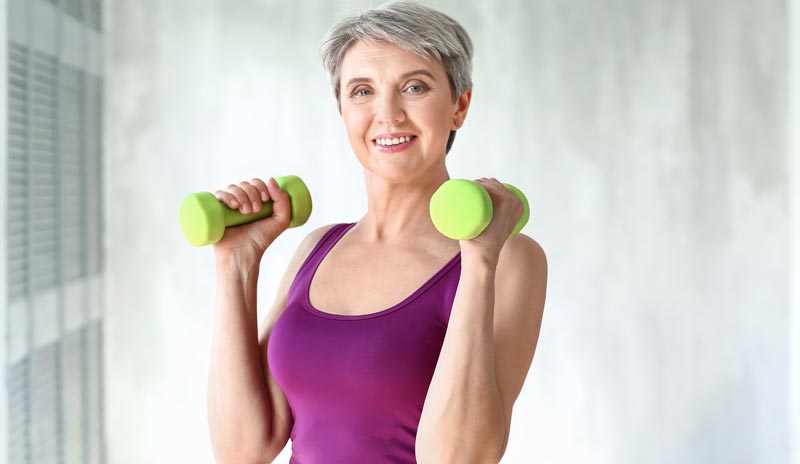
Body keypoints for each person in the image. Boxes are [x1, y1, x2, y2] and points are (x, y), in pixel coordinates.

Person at [206, 1, 547, 463]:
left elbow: (457, 459)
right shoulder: (317, 249)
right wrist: (236, 266)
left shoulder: (507, 258)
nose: (388, 114)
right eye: (362, 91)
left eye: (415, 86)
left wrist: (479, 264)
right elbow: (242, 449)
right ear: (343, 108)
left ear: (459, 106)